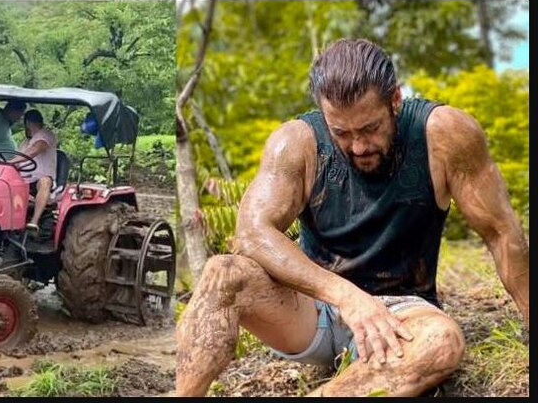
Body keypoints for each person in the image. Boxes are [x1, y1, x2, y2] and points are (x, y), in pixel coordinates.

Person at [175, 39, 529, 397]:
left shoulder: (445, 134)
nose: (358, 146)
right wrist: (346, 297)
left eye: (370, 128)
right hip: (312, 310)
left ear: (395, 100)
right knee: (223, 272)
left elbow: (501, 232)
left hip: (403, 314)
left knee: (443, 341)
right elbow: (251, 234)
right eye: (342, 133)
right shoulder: (296, 141)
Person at [9, 109, 57, 233]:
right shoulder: (25, 143)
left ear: (28, 123)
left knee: (45, 181)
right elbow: (19, 160)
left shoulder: (45, 135)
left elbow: (35, 150)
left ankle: (34, 222)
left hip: (39, 182)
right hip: (23, 181)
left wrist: (11, 162)